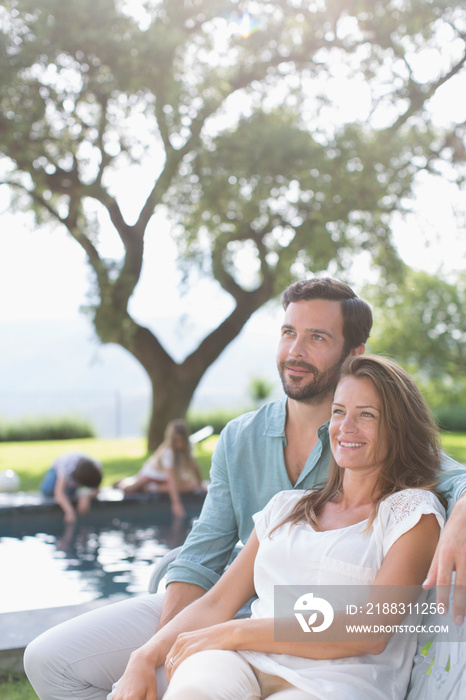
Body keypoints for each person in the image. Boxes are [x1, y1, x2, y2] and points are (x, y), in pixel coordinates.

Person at [24, 278, 466, 700]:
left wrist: (460, 517)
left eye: (317, 337)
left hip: (305, 651)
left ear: (353, 352)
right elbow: (201, 557)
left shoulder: (406, 498)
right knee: (51, 660)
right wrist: (159, 648)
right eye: (289, 332)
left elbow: (455, 483)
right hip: (228, 618)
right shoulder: (245, 445)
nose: (295, 350)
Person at [110, 354, 445, 700]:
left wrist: (235, 632)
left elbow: (370, 629)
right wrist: (143, 656)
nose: (346, 427)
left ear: (398, 428)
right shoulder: (286, 506)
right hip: (242, 663)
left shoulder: (411, 514)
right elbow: (217, 604)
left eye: (367, 415)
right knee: (193, 690)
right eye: (339, 411)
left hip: (336, 683)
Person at [114, 420, 205, 519]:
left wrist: (200, 485)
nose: (179, 444)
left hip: (165, 479)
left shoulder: (188, 448)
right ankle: (122, 483)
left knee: (192, 485)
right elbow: (170, 478)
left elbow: (195, 467)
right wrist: (176, 503)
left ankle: (151, 488)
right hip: (152, 476)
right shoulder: (168, 452)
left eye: (181, 440)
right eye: (176, 440)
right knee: (129, 489)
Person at [40, 452, 102, 524]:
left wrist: (87, 496)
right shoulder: (66, 467)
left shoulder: (96, 466)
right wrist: (69, 511)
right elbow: (59, 492)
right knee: (48, 491)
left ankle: (70, 489)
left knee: (69, 492)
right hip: (57, 470)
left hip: (74, 475)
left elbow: (97, 488)